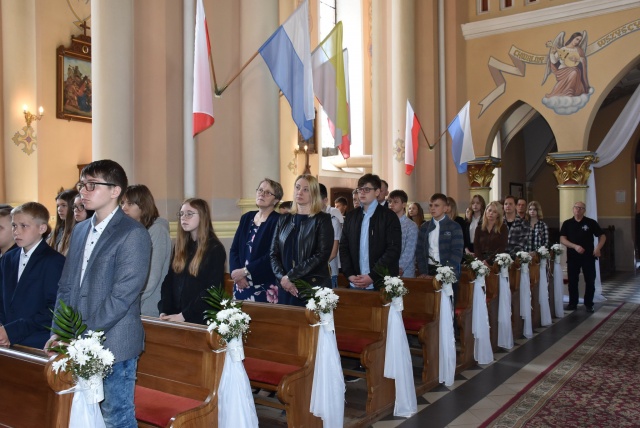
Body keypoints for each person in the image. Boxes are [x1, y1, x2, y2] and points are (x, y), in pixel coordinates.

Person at [46, 159, 152, 427]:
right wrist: (59, 331)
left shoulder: (133, 233)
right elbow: (66, 285)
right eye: (82, 184)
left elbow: (122, 296)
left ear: (115, 190)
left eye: (92, 185)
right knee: (83, 415)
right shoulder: (80, 229)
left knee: (116, 417)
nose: (83, 191)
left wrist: (82, 334)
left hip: (115, 342)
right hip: (78, 340)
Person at [0, 203, 65, 348]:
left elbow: (53, 309)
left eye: (23, 226)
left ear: (42, 228)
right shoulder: (8, 258)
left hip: (35, 341)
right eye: (14, 225)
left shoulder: (54, 261)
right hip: (5, 338)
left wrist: (11, 331)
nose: (16, 231)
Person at [159, 198, 226, 323]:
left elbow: (212, 290)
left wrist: (184, 315)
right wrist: (165, 310)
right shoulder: (180, 246)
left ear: (203, 217)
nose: (183, 218)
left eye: (189, 214)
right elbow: (169, 281)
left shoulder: (215, 249)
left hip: (199, 319)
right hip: (176, 315)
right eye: (181, 214)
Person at [270, 174, 333, 306]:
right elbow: (273, 253)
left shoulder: (322, 219)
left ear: (314, 193)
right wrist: (283, 278)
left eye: (305, 189)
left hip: (311, 286)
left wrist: (290, 276)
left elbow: (322, 255)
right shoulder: (284, 219)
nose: (300, 192)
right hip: (285, 287)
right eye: (297, 187)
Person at [340, 174, 401, 289]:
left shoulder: (389, 216)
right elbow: (344, 247)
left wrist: (373, 276)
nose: (362, 193)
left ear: (377, 192)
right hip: (355, 281)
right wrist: (349, 274)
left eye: (367, 189)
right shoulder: (351, 216)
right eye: (360, 189)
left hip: (381, 282)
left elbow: (393, 250)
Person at [121, 185, 172, 317]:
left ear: (143, 206)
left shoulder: (157, 231)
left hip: (148, 307)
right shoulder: (132, 231)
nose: (124, 208)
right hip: (130, 304)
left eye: (130, 203)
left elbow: (152, 276)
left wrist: (126, 301)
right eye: (122, 203)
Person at [230, 179, 282, 303]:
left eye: (268, 192)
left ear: (276, 200)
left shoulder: (279, 221)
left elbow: (272, 255)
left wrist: (245, 272)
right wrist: (236, 274)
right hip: (241, 284)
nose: (262, 194)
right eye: (260, 190)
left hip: (264, 285)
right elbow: (234, 249)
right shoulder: (246, 217)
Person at [560, 201, 605, 313]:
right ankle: (572, 303)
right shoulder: (567, 223)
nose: (578, 210)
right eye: (576, 207)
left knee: (590, 280)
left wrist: (598, 248)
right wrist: (575, 246)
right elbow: (562, 239)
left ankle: (589, 304)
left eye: (581, 208)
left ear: (584, 210)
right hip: (573, 256)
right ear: (573, 209)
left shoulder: (590, 222)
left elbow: (602, 236)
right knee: (572, 281)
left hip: (588, 256)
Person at [416, 193, 463, 277]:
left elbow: (457, 252)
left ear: (445, 208)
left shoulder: (454, 226)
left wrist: (446, 272)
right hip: (428, 269)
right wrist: (423, 272)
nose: (432, 208)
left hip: (448, 271)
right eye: (430, 205)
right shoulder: (425, 227)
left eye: (436, 205)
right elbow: (420, 250)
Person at [388, 190, 418, 278]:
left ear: (404, 204)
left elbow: (409, 251)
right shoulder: (386, 224)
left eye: (395, 202)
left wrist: (398, 267)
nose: (391, 204)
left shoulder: (411, 226)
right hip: (387, 268)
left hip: (405, 271)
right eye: (390, 202)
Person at [320, 183, 344, 288]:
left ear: (325, 200)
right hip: (312, 272)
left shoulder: (333, 220)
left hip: (329, 270)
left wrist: (315, 266)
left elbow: (333, 253)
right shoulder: (309, 219)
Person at [47, 188, 79, 255]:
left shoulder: (78, 232)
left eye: (64, 205)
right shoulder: (58, 230)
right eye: (58, 206)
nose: (59, 209)